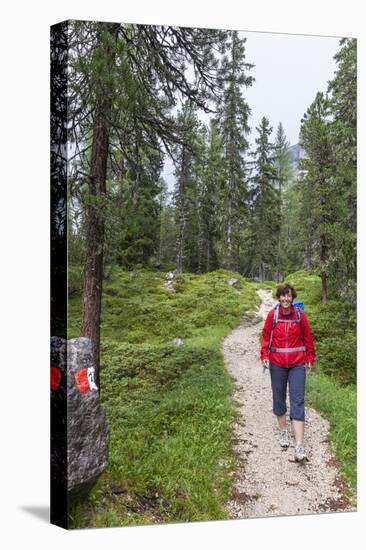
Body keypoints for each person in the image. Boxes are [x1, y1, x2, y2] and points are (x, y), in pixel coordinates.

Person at [261, 283, 315, 462]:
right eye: (283, 296)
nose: (286, 299)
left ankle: (299, 446)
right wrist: (264, 355)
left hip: (297, 364)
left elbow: (308, 338)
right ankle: (284, 432)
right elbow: (266, 336)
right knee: (278, 397)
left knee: (298, 400)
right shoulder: (273, 315)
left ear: (293, 298)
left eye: (289, 296)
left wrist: (310, 358)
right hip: (277, 363)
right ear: (278, 297)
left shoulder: (300, 315)